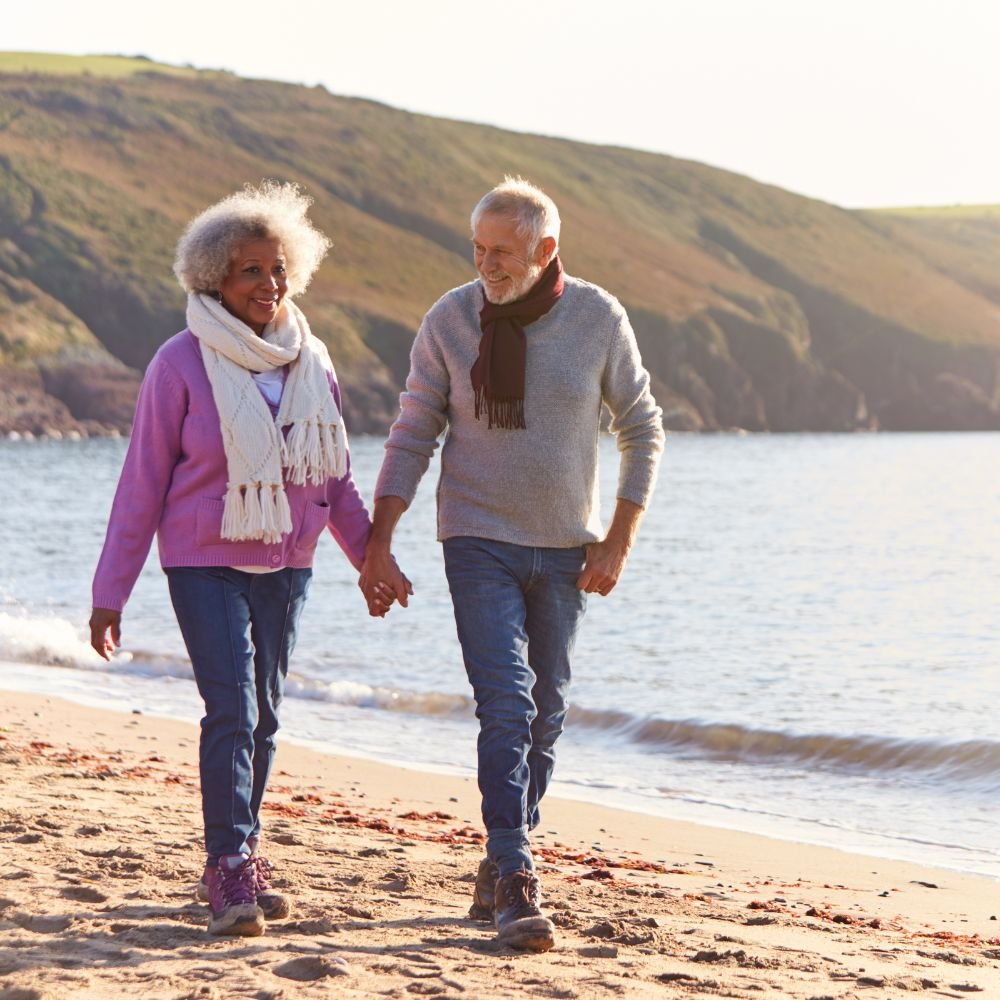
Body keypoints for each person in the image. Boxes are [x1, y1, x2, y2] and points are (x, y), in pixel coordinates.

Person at [360, 176, 664, 951]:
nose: (486, 264)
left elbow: (641, 425)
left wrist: (619, 538)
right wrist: (379, 538)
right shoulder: (451, 319)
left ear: (545, 250)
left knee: (548, 716)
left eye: (503, 251)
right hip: (477, 540)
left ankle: (500, 856)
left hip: (567, 548)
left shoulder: (597, 317)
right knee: (508, 703)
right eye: (478, 249)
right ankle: (519, 877)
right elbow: (412, 430)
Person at [89, 181, 392, 937]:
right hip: (204, 561)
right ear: (214, 277)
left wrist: (369, 561)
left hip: (288, 563)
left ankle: (242, 856)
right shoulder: (179, 362)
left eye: (278, 268)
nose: (269, 284)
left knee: (265, 720)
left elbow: (335, 479)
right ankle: (227, 866)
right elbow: (142, 482)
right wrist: (110, 594)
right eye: (251, 270)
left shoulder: (311, 362)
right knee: (233, 709)